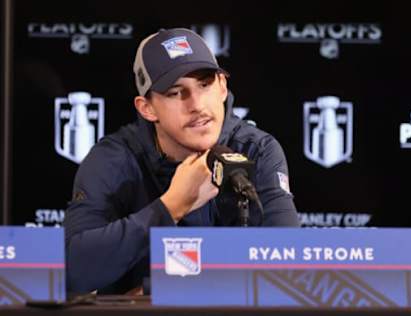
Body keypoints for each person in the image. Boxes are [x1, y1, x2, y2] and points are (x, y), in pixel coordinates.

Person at [64, 28, 299, 295]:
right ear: (147, 108)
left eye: (204, 84)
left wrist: (156, 289)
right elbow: (71, 270)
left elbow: (286, 264)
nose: (197, 104)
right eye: (176, 92)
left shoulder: (256, 150)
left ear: (222, 87)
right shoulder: (113, 160)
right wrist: (171, 206)